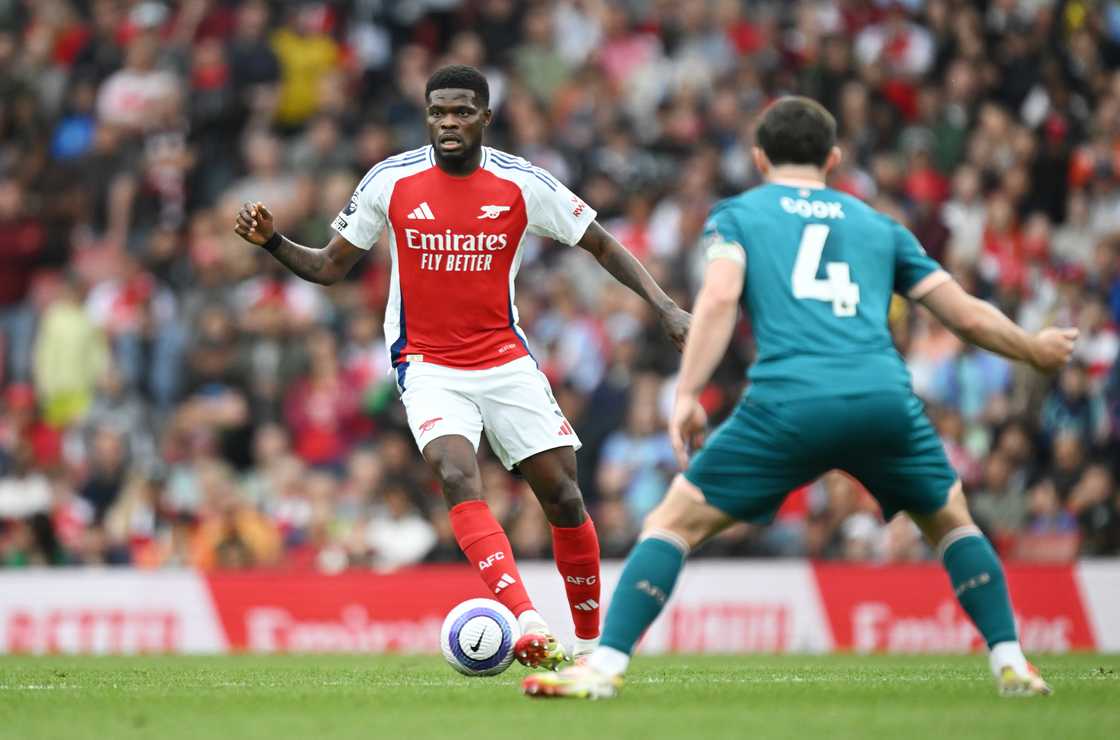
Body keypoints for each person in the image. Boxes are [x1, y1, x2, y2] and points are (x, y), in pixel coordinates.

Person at [523, 97, 1076, 699]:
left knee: (672, 524)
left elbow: (718, 298)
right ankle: (1012, 662)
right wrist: (1033, 348)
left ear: (759, 157)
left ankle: (603, 670)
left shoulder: (740, 214)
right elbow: (963, 314)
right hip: (882, 398)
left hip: (791, 400)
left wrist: (685, 393)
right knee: (952, 524)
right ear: (833, 158)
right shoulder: (878, 225)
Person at [233, 64, 690, 668]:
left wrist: (664, 307)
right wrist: (272, 242)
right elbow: (328, 266)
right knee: (454, 472)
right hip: (427, 362)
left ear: (485, 118)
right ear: (427, 117)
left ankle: (588, 645)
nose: (449, 122)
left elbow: (601, 243)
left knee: (563, 496)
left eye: (462, 112)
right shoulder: (389, 181)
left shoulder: (522, 184)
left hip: (504, 357)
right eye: (438, 112)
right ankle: (527, 623)